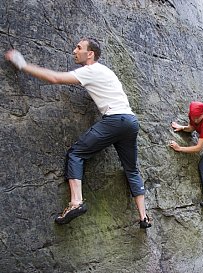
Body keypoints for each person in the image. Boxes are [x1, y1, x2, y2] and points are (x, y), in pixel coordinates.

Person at [5, 38, 151, 228]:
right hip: (130, 121)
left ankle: (76, 203)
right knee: (131, 169)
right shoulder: (105, 71)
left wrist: (23, 65)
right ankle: (143, 217)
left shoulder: (91, 70)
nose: (74, 51)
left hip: (115, 120)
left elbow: (55, 78)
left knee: (76, 153)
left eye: (79, 48)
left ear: (90, 54)